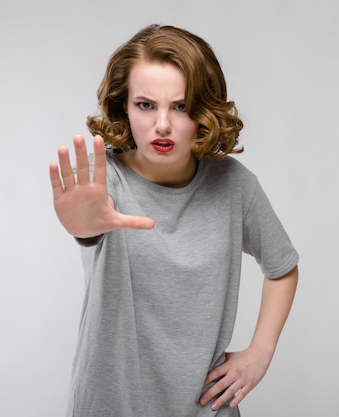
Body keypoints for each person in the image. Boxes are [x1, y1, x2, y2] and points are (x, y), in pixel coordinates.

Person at [49, 24, 299, 417]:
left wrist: (259, 353)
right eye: (145, 105)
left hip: (205, 408)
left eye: (180, 107)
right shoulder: (105, 181)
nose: (162, 124)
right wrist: (84, 227)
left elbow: (283, 268)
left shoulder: (234, 186)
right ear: (124, 107)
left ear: (205, 110)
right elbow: (90, 225)